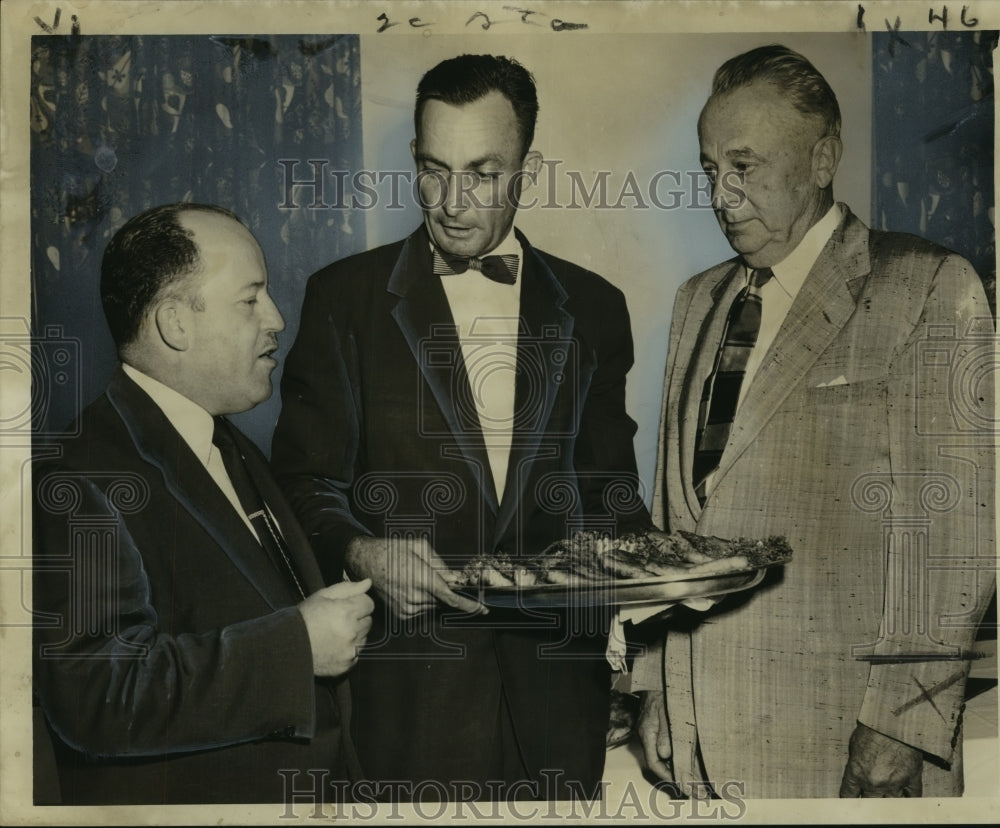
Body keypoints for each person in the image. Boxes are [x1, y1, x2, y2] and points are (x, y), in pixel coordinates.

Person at [271, 54, 653, 801]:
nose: (450, 202)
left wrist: (633, 618)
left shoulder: (597, 308)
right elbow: (300, 484)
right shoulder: (342, 301)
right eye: (432, 168)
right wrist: (362, 551)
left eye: (482, 172)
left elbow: (610, 492)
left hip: (560, 705)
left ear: (527, 171)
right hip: (403, 707)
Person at [631, 44, 995, 799]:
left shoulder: (927, 285)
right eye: (709, 170)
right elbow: (675, 523)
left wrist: (900, 725)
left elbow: (957, 534)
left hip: (846, 742)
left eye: (746, 165)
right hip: (700, 738)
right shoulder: (696, 300)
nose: (723, 195)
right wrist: (657, 689)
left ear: (822, 158)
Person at [32, 203, 375, 805]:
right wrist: (296, 648)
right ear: (175, 324)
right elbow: (96, 693)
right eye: (251, 300)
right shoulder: (79, 477)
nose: (276, 319)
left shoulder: (228, 442)